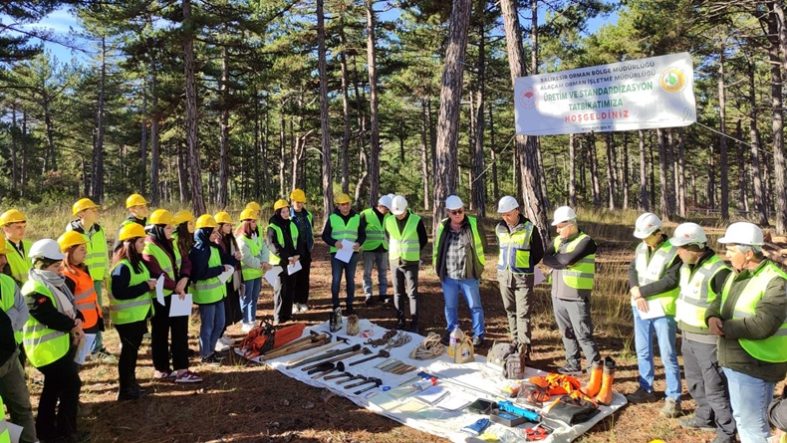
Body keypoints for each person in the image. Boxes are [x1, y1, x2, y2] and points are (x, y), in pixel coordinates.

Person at [706, 222, 787, 443]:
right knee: (745, 421)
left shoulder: (775, 281)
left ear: (748, 253)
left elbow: (763, 324)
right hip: (738, 361)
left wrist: (723, 328)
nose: (727, 254)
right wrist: (712, 316)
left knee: (752, 427)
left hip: (756, 363)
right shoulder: (736, 274)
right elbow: (719, 300)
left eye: (731, 249)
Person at [671, 223, 736, 443]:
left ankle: (726, 431)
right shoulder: (686, 266)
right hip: (688, 335)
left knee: (715, 388)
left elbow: (728, 305)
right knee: (696, 382)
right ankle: (704, 418)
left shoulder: (718, 271)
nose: (677, 252)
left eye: (681, 248)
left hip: (708, 342)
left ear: (695, 247)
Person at [22, 239, 83, 440]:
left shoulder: (53, 284)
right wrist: (73, 324)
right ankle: (65, 433)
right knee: (71, 385)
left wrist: (78, 318)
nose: (60, 270)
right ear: (42, 265)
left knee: (53, 388)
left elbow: (68, 307)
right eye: (56, 266)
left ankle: (47, 431)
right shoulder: (33, 289)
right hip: (46, 351)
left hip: (58, 347)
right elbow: (48, 315)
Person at [626, 212, 683, 418]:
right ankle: (646, 388)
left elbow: (671, 280)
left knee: (668, 354)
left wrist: (642, 292)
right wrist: (634, 289)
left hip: (662, 310)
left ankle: (673, 397)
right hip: (639, 307)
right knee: (642, 350)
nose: (644, 239)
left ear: (658, 232)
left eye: (648, 235)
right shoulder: (641, 247)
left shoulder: (674, 251)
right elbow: (633, 270)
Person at [142, 210, 201, 384]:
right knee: (160, 333)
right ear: (158, 228)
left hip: (179, 294)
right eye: (168, 228)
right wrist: (176, 286)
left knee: (180, 332)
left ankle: (181, 369)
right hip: (161, 298)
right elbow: (156, 272)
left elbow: (185, 261)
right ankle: (161, 369)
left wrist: (184, 278)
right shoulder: (149, 247)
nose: (171, 231)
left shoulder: (172, 242)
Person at [542, 206, 600, 374]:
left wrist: (560, 260)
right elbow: (546, 259)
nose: (557, 230)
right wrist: (561, 261)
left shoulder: (586, 241)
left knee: (583, 334)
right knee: (566, 333)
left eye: (560, 226)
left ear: (570, 224)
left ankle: (594, 369)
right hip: (557, 295)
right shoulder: (557, 241)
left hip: (576, 296)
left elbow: (569, 259)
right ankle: (572, 364)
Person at [494, 196, 544, 359]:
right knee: (510, 311)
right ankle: (515, 341)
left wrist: (524, 265)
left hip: (523, 278)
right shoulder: (499, 228)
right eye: (503, 215)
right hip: (504, 277)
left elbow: (538, 254)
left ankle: (524, 347)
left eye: (508, 214)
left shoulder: (530, 228)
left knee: (523, 313)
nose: (505, 218)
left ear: (517, 211)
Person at [433, 195, 486, 346]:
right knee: (450, 306)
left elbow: (483, 245)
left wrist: (479, 267)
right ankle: (452, 331)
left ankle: (479, 334)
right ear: (448, 212)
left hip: (469, 275)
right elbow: (437, 249)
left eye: (460, 211)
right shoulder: (442, 226)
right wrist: (438, 269)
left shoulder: (473, 224)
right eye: (454, 212)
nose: (458, 214)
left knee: (475, 306)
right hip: (449, 276)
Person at [110, 224, 155, 400]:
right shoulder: (122, 267)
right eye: (141, 241)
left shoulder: (137, 264)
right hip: (126, 319)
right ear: (130, 243)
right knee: (128, 355)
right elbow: (120, 292)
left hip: (137, 317)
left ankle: (131, 384)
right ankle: (126, 389)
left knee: (132, 353)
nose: (144, 244)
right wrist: (146, 286)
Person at [0, 236, 36, 443]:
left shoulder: (6, 282)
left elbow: (23, 315)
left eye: (3, 255)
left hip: (10, 358)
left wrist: (5, 320)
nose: (3, 261)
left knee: (21, 408)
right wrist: (9, 316)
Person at [67, 198, 112, 361]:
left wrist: (106, 274)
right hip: (79, 280)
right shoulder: (72, 233)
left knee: (96, 313)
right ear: (81, 213)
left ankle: (96, 348)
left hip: (97, 279)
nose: (96, 212)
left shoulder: (99, 230)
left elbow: (104, 255)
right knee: (80, 315)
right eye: (92, 210)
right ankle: (82, 348)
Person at [57, 231, 102, 367]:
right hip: (80, 328)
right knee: (73, 364)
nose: (86, 252)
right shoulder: (65, 276)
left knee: (78, 361)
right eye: (82, 249)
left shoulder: (81, 270)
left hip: (90, 323)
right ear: (69, 251)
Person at [190, 215, 230, 363]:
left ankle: (211, 351)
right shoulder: (200, 250)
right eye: (213, 232)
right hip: (206, 296)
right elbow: (200, 273)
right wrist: (220, 269)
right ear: (205, 233)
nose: (216, 235)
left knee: (220, 323)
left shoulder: (213, 247)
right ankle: (205, 355)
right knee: (207, 327)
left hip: (218, 293)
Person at [384, 195, 427, 332]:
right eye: (396, 213)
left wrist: (411, 251)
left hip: (411, 261)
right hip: (395, 260)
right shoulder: (389, 220)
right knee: (398, 292)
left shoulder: (416, 220)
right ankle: (400, 321)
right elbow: (387, 237)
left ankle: (414, 323)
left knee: (412, 293)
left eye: (401, 213)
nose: (399, 216)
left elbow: (423, 239)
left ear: (406, 209)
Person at [322, 193, 366, 315]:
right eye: (343, 204)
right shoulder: (332, 217)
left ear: (350, 204)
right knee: (336, 280)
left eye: (347, 204)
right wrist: (334, 242)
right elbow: (325, 236)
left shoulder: (357, 217)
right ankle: (336, 305)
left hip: (352, 253)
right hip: (337, 254)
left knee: (350, 280)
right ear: (338, 206)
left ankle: (350, 305)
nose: (345, 206)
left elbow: (363, 235)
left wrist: (359, 243)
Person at [236, 208, 269, 332]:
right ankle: (245, 322)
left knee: (254, 297)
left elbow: (264, 248)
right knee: (246, 298)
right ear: (246, 223)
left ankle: (252, 319)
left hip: (258, 272)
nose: (256, 224)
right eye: (253, 222)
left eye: (256, 221)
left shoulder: (256, 235)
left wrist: (265, 261)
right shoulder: (241, 240)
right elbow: (247, 258)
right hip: (248, 274)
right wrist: (262, 264)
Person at [266, 200, 299, 325]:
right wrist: (287, 257)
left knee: (290, 288)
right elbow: (272, 245)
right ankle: (278, 318)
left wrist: (297, 255)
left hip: (292, 262)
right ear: (278, 212)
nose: (286, 214)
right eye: (283, 211)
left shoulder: (292, 225)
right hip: (278, 264)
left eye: (287, 211)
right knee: (279, 291)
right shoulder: (272, 227)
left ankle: (287, 314)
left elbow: (298, 241)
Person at [213, 211, 242, 350]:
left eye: (230, 224)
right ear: (219, 226)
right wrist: (233, 258)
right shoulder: (217, 241)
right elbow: (222, 260)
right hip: (222, 279)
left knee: (228, 308)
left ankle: (222, 333)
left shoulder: (230, 239)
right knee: (221, 310)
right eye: (226, 224)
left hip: (230, 278)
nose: (230, 226)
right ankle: (217, 338)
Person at [361, 194, 392, 306]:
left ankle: (382, 295)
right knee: (367, 273)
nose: (388, 211)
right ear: (381, 206)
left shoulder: (389, 216)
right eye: (387, 209)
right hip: (369, 248)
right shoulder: (366, 214)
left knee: (383, 273)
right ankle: (368, 295)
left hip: (383, 247)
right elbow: (359, 230)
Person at [290, 189, 315, 313]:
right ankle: (294, 303)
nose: (299, 204)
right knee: (294, 277)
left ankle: (303, 301)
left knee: (305, 277)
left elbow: (311, 230)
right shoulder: (288, 215)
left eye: (301, 202)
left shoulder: (308, 215)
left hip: (305, 250)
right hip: (294, 252)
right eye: (297, 201)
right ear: (292, 201)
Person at [0, 209, 32, 285]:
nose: (23, 230)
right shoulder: (2, 249)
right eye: (18, 227)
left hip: (34, 289)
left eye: (24, 227)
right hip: (16, 290)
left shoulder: (30, 245)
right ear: (5, 228)